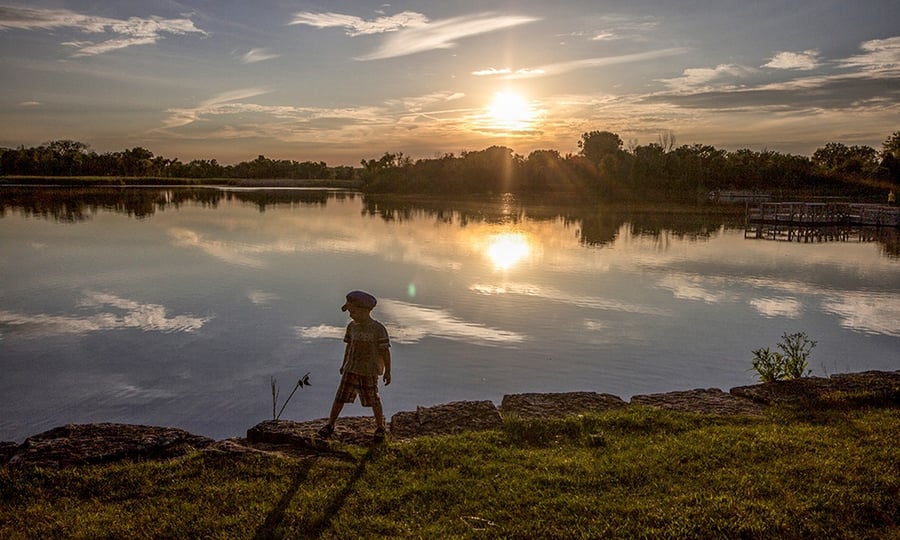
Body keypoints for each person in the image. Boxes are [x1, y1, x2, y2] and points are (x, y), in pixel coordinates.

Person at [317, 290, 392, 442]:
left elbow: (385, 351)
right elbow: (349, 346)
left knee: (373, 399)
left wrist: (388, 371)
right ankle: (330, 425)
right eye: (350, 312)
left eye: (353, 311)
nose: (351, 315)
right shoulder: (352, 327)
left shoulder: (378, 329)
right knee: (340, 397)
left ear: (366, 311)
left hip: (369, 371)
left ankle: (380, 427)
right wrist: (344, 364)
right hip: (351, 368)